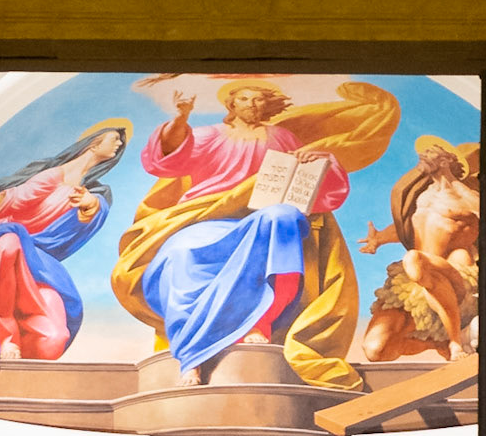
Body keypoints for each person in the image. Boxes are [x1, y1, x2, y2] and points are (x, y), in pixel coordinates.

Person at [111, 78, 399, 388]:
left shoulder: (283, 138)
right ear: (231, 105)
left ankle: (261, 322)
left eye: (259, 99)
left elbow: (312, 185)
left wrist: (322, 161)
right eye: (245, 98)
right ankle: (192, 357)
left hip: (259, 219)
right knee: (182, 256)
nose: (252, 103)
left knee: (284, 216)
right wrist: (181, 118)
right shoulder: (208, 136)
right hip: (206, 220)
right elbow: (166, 159)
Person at [0, 120, 132, 362]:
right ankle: (4, 335)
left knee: (53, 338)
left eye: (121, 142)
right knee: (9, 242)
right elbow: (13, 199)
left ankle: (26, 363)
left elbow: (95, 213)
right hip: (5, 242)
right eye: (114, 139)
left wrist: (90, 206)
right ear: (94, 142)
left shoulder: (96, 191)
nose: (119, 144)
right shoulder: (49, 171)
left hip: (39, 262)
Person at [359, 137, 480, 361]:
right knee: (375, 350)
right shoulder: (424, 195)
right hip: (413, 280)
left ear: (447, 160)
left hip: (452, 272)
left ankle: (455, 342)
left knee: (414, 259)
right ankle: (437, 342)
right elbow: (414, 226)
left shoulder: (466, 196)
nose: (423, 155)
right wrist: (379, 239)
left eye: (431, 152)